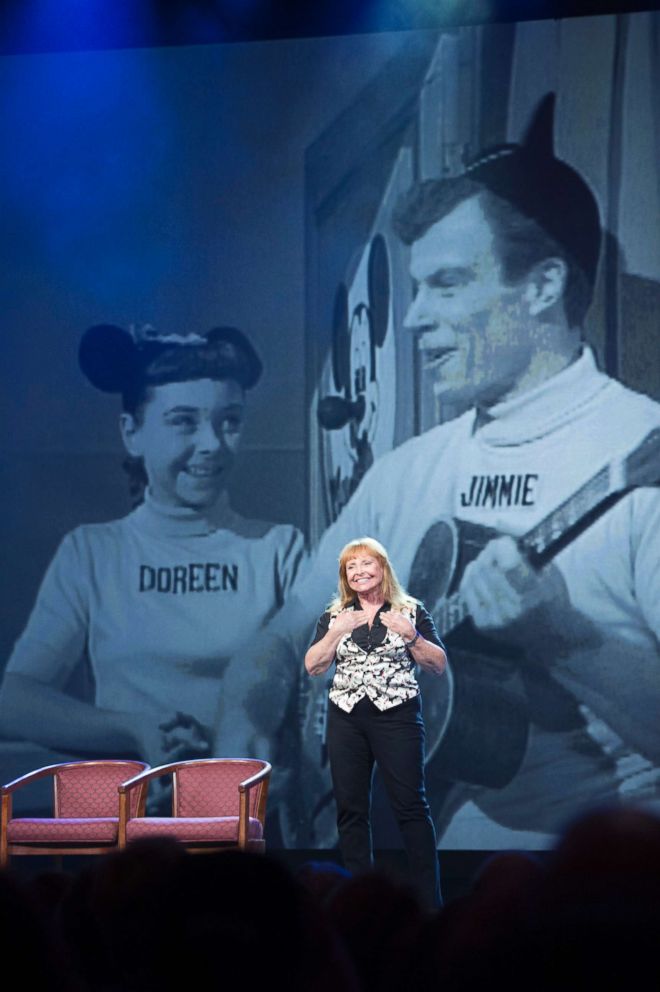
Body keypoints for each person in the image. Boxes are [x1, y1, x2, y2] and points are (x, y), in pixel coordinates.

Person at [215, 93, 660, 847]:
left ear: (543, 286)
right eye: (416, 288)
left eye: (447, 284)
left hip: (598, 894)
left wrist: (565, 638)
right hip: (412, 870)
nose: (415, 316)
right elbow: (287, 633)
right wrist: (247, 712)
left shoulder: (634, 451)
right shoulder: (406, 472)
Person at [0, 323, 304, 773]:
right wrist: (135, 730)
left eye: (230, 422)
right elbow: (16, 699)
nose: (213, 445)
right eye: (183, 422)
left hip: (249, 817)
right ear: (132, 433)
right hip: (129, 817)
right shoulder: (92, 553)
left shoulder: (279, 549)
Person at [304, 537, 446, 908]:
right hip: (346, 719)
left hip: (397, 716)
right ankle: (358, 900)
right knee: (351, 809)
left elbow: (437, 664)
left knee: (411, 807)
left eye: (366, 564)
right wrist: (336, 632)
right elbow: (313, 666)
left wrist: (411, 635)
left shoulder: (410, 611)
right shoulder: (334, 616)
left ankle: (430, 903)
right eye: (351, 567)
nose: (359, 572)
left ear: (382, 568)